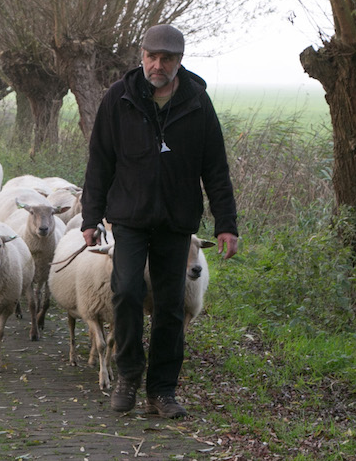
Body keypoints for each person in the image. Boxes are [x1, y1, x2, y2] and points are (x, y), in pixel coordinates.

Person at [80, 23, 239, 419]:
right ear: (142, 56)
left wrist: (226, 223)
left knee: (170, 306)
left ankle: (162, 391)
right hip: (129, 218)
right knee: (127, 292)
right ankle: (128, 375)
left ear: (179, 61)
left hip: (175, 222)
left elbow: (215, 167)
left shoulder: (197, 102)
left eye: (166, 59)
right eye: (152, 56)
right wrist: (90, 216)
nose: (157, 65)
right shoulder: (119, 98)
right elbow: (100, 161)